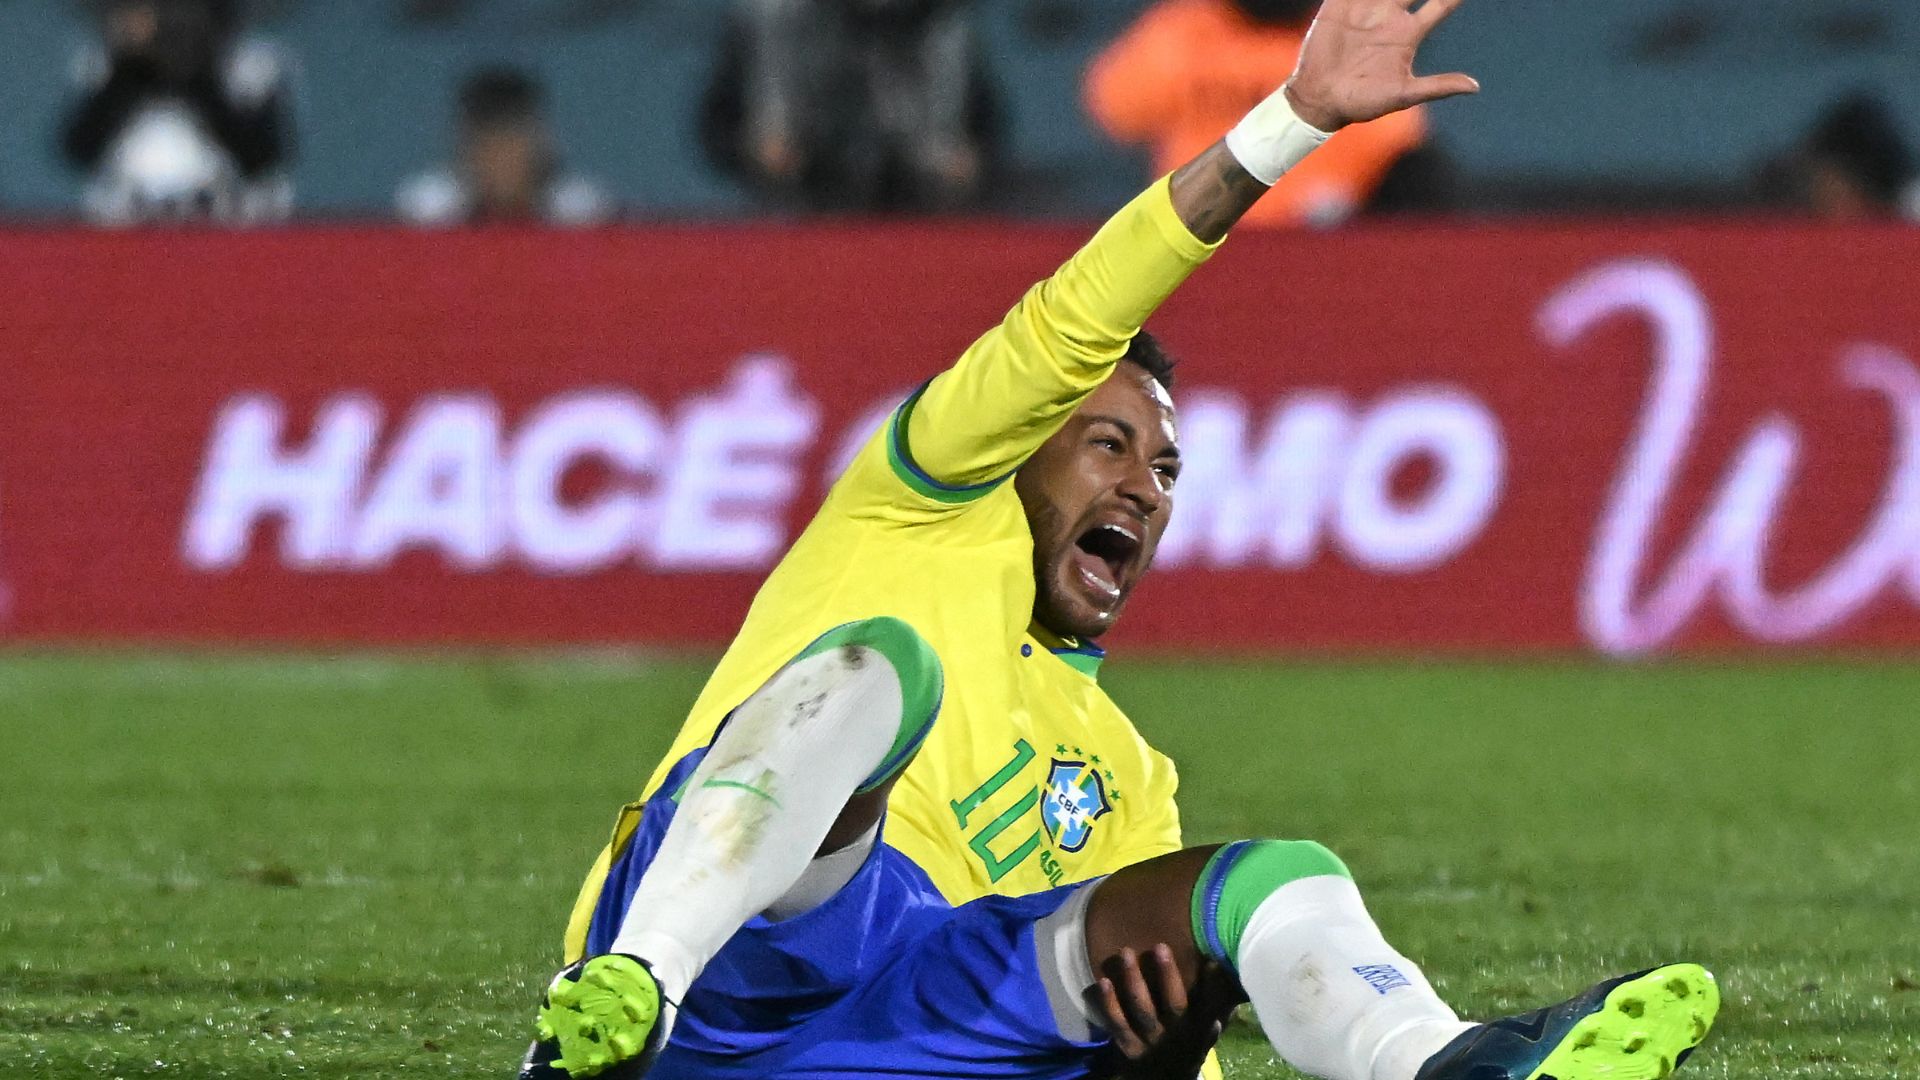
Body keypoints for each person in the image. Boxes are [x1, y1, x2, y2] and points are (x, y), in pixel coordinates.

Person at [518, 2, 1722, 1077]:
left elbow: (1131, 1039)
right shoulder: (916, 507)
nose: (1144, 488)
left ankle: (1447, 1066)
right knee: (874, 665)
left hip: (904, 1038)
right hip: (735, 969)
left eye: (1165, 469)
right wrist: (1292, 122)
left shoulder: (1126, 776)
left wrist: (1168, 1045)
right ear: (1025, 436)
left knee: (1263, 881)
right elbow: (1084, 307)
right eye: (1107, 444)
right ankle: (632, 986)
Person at [1084, 0, 1433, 227]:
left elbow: (1395, 142)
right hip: (1196, 235)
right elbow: (1116, 109)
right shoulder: (1182, 30)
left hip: (1320, 239)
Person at [698, 0, 999, 211]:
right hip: (804, 193)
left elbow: (979, 132)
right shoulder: (773, 15)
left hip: (913, 200)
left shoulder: (944, 22)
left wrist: (963, 155)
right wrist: (760, 143)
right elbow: (724, 123)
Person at [60, 0, 294, 225]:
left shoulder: (253, 63)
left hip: (223, 224)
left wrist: (193, 71)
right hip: (128, 225)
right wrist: (134, 66)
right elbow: (80, 147)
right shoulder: (106, 64)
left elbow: (261, 157)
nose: (173, 21)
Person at [396, 66, 614, 227]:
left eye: (513, 140)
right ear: (464, 147)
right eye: (487, 143)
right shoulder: (431, 213)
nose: (501, 156)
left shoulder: (579, 213)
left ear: (543, 142)